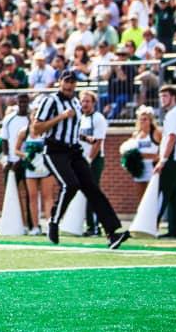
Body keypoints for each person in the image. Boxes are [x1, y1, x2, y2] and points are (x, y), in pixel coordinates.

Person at [33, 71, 130, 249]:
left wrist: (86, 139)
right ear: (60, 82)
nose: (69, 85)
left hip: (74, 150)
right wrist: (61, 117)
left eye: (72, 82)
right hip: (55, 150)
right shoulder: (50, 101)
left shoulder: (76, 102)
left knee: (93, 189)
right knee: (70, 184)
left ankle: (112, 233)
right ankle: (53, 221)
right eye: (66, 81)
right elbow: (36, 128)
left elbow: (72, 130)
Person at [16, 100, 53, 235]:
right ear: (30, 116)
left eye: (39, 115)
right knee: (32, 197)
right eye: (34, 114)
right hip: (31, 168)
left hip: (45, 168)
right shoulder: (24, 132)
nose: (36, 117)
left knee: (47, 196)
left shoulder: (47, 132)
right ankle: (35, 227)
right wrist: (26, 155)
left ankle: (50, 225)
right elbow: (16, 150)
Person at [155, 86, 176, 239]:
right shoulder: (172, 114)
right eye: (161, 96)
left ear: (173, 97)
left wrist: (163, 159)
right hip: (175, 159)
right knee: (173, 196)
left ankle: (152, 225)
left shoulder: (174, 114)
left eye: (166, 96)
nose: (163, 99)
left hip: (172, 160)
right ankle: (175, 230)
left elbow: (172, 138)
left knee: (163, 193)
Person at [0, 94, 32, 231]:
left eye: (25, 101)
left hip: (28, 162)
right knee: (11, 192)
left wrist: (22, 158)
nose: (23, 104)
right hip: (11, 162)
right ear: (17, 102)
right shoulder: (9, 119)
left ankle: (31, 225)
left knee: (30, 194)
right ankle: (13, 223)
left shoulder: (32, 119)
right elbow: (4, 139)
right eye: (21, 101)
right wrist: (7, 158)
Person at [78, 91, 108, 237]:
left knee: (92, 193)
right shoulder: (80, 118)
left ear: (94, 103)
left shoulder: (98, 118)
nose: (84, 104)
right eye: (83, 101)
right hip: (81, 160)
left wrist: (89, 160)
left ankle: (95, 227)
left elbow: (98, 142)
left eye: (88, 101)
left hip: (93, 160)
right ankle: (89, 224)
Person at [130, 106, 162, 198]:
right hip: (140, 168)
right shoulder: (136, 134)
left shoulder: (156, 133)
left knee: (152, 195)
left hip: (152, 167)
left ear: (150, 120)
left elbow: (163, 150)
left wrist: (153, 157)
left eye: (145, 119)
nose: (142, 121)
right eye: (140, 119)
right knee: (140, 196)